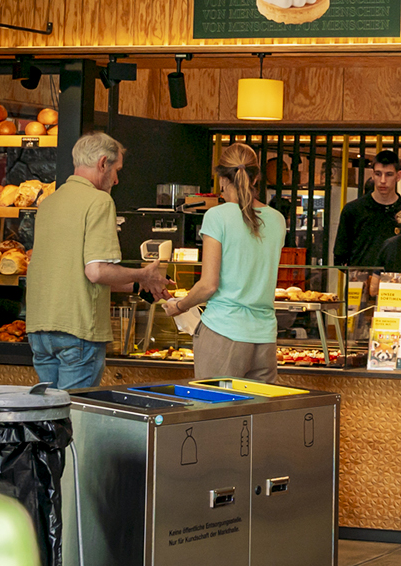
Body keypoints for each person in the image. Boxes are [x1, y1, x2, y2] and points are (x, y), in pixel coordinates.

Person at [24, 129, 164, 393]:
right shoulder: (99, 201)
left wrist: (137, 286)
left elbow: (75, 273)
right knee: (75, 412)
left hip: (40, 331)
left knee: (50, 412)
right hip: (78, 330)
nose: (117, 179)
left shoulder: (49, 203)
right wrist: (142, 274)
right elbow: (97, 272)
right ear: (102, 163)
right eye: (116, 170)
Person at [165, 142, 288, 382]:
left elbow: (208, 285)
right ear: (256, 178)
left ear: (221, 179)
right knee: (258, 406)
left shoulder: (217, 216)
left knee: (215, 405)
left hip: (223, 331)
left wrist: (179, 306)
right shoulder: (277, 219)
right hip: (264, 337)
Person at [332, 150, 401, 269]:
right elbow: (340, 256)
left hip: (396, 279)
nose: (382, 180)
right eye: (378, 174)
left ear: (398, 176)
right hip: (360, 278)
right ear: (372, 175)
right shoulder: (353, 210)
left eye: (389, 174)